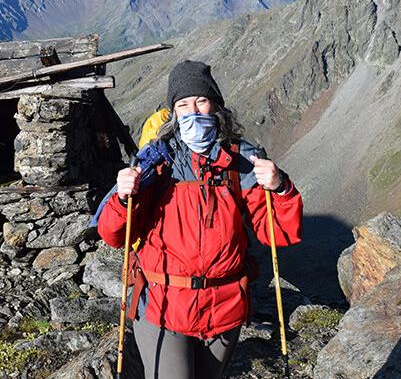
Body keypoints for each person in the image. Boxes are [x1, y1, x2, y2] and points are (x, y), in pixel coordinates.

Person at [97, 60, 304, 379]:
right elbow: (114, 234)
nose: (192, 111)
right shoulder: (156, 162)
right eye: (182, 104)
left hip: (224, 308)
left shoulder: (243, 162)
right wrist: (124, 198)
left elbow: (278, 234)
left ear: (216, 106)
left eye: (200, 100)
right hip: (162, 306)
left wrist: (280, 188)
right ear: (173, 112)